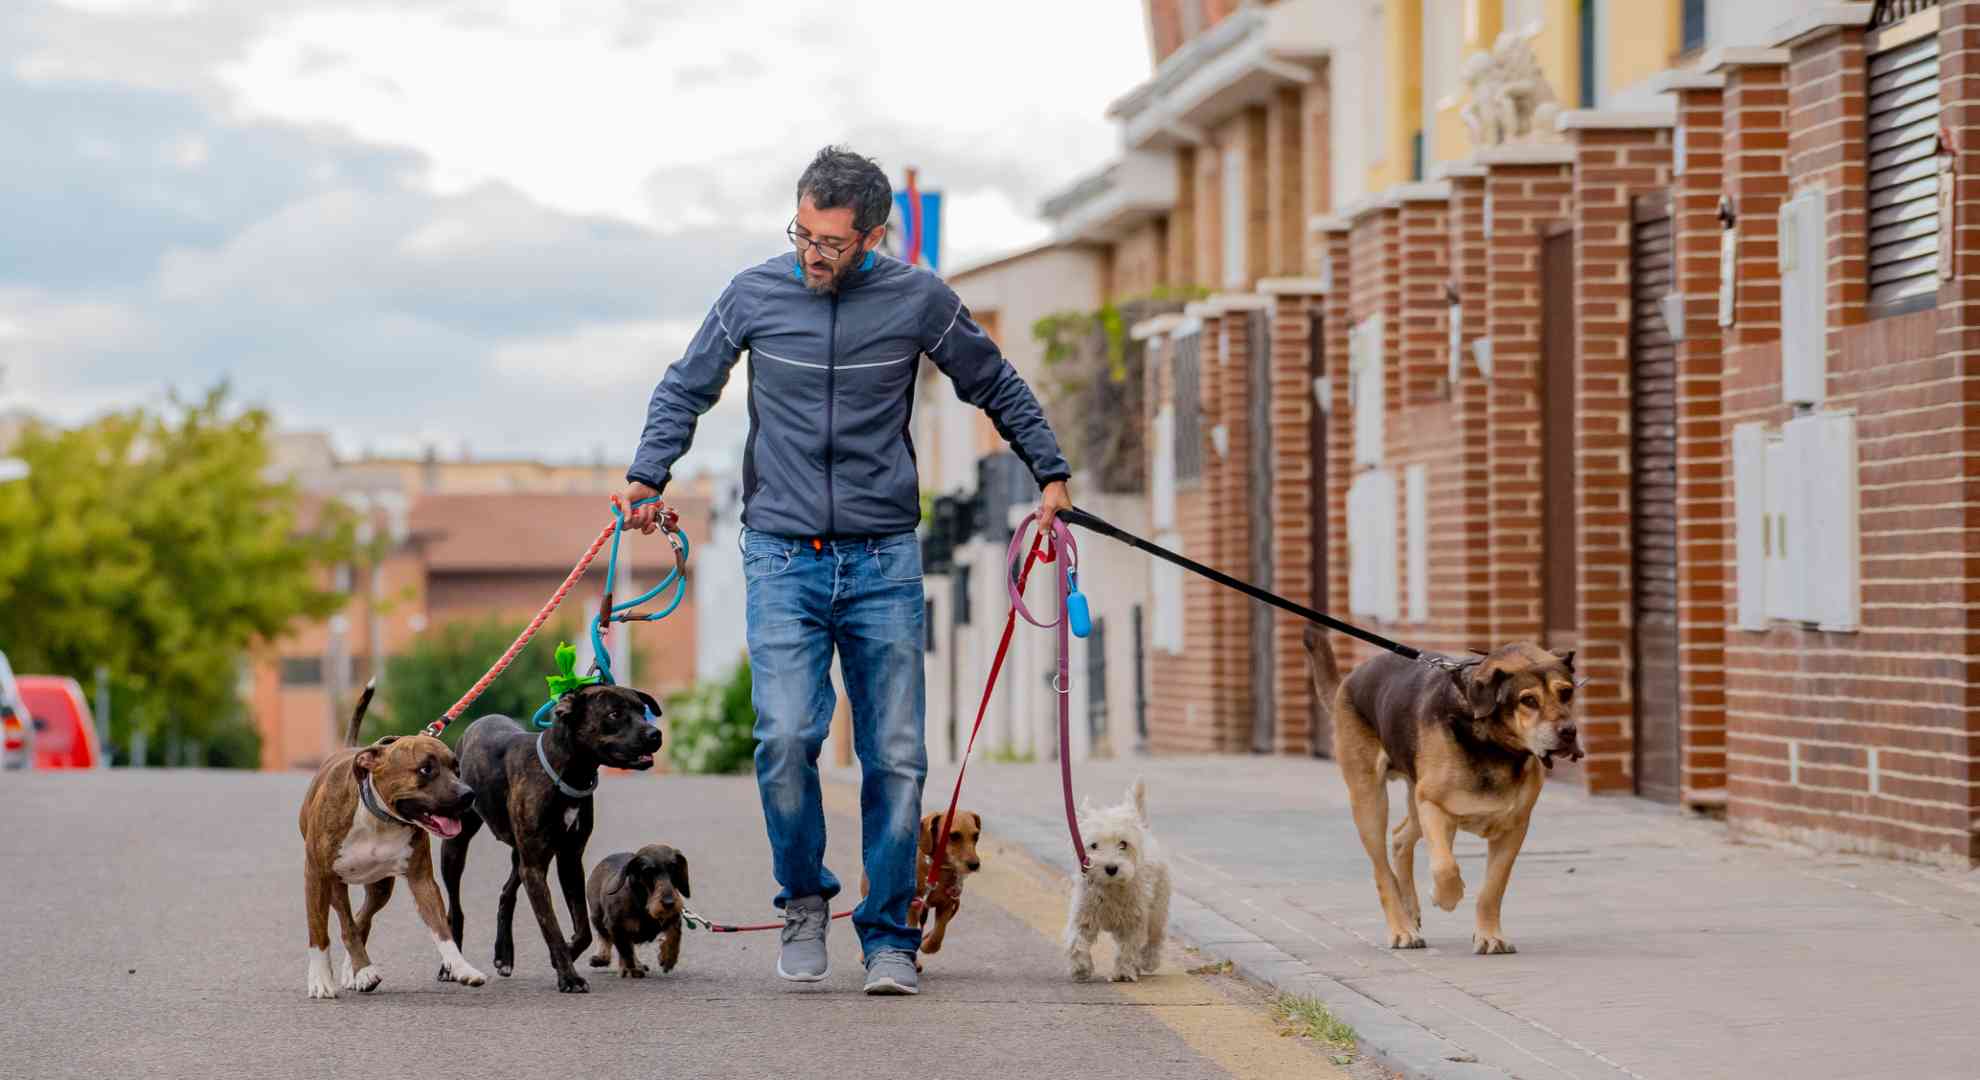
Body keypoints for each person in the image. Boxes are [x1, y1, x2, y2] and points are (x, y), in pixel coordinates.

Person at [613, 146, 1072, 995]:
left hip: (884, 558)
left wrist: (1049, 472)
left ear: (870, 235)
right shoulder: (753, 294)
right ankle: (802, 901)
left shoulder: (917, 300)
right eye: (803, 232)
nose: (812, 252)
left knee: (895, 755)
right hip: (781, 554)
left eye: (830, 240)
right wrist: (649, 473)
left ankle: (890, 934)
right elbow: (686, 387)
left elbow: (995, 383)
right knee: (786, 738)